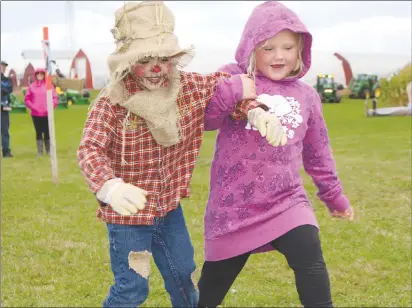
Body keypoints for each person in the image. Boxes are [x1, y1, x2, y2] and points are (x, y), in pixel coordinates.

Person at [76, 2, 282, 307]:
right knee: (132, 288)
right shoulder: (113, 101)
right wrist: (110, 186)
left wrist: (255, 113)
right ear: (129, 60)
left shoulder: (187, 87)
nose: (156, 69)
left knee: (183, 276)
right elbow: (89, 149)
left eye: (164, 59)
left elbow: (226, 90)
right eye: (145, 59)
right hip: (128, 216)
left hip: (169, 209)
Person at [197, 2, 354, 307]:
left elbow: (318, 152)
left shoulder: (307, 95)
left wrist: (334, 197)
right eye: (268, 47)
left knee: (310, 256)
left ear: (301, 51)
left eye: (288, 47)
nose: (279, 55)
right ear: (251, 48)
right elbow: (207, 121)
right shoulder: (233, 76)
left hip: (287, 201)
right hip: (234, 208)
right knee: (210, 290)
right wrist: (231, 90)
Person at [24, 68, 58, 156]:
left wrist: (51, 107)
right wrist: (33, 107)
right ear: (35, 75)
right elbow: (27, 99)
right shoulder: (31, 86)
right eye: (38, 74)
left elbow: (54, 98)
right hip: (36, 114)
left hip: (47, 113)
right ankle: (40, 151)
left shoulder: (49, 85)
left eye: (41, 74)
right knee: (38, 132)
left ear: (44, 75)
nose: (40, 75)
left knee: (47, 131)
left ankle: (48, 150)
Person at [1, 60, 14, 158]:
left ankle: (6, 151)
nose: (3, 68)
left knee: (5, 131)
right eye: (2, 66)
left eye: (4, 67)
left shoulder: (7, 80)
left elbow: (9, 89)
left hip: (4, 108)